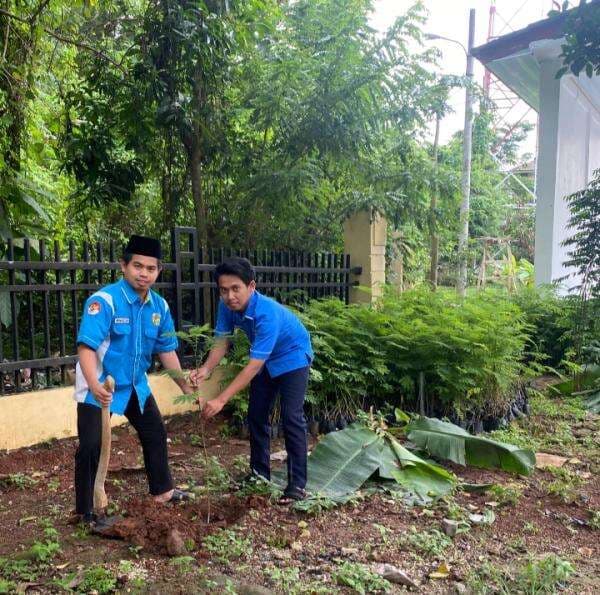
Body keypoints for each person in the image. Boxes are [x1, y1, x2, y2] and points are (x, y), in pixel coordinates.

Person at [73, 234, 193, 525]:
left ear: (158, 271)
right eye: (138, 266)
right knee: (91, 446)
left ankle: (162, 491)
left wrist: (186, 386)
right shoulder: (104, 301)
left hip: (134, 385)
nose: (144, 273)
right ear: (123, 266)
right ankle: (85, 511)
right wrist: (95, 385)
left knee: (154, 433)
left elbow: (167, 351)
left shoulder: (159, 307)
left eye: (151, 268)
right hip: (99, 384)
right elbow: (86, 348)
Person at [190, 257, 313, 503]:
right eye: (224, 290)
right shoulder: (226, 307)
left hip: (293, 357)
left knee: (291, 418)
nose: (230, 296)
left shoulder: (266, 314)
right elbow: (222, 342)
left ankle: (297, 485)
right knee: (256, 415)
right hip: (266, 359)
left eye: (236, 288)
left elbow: (253, 366)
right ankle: (259, 475)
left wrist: (221, 400)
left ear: (251, 286)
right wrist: (206, 369)